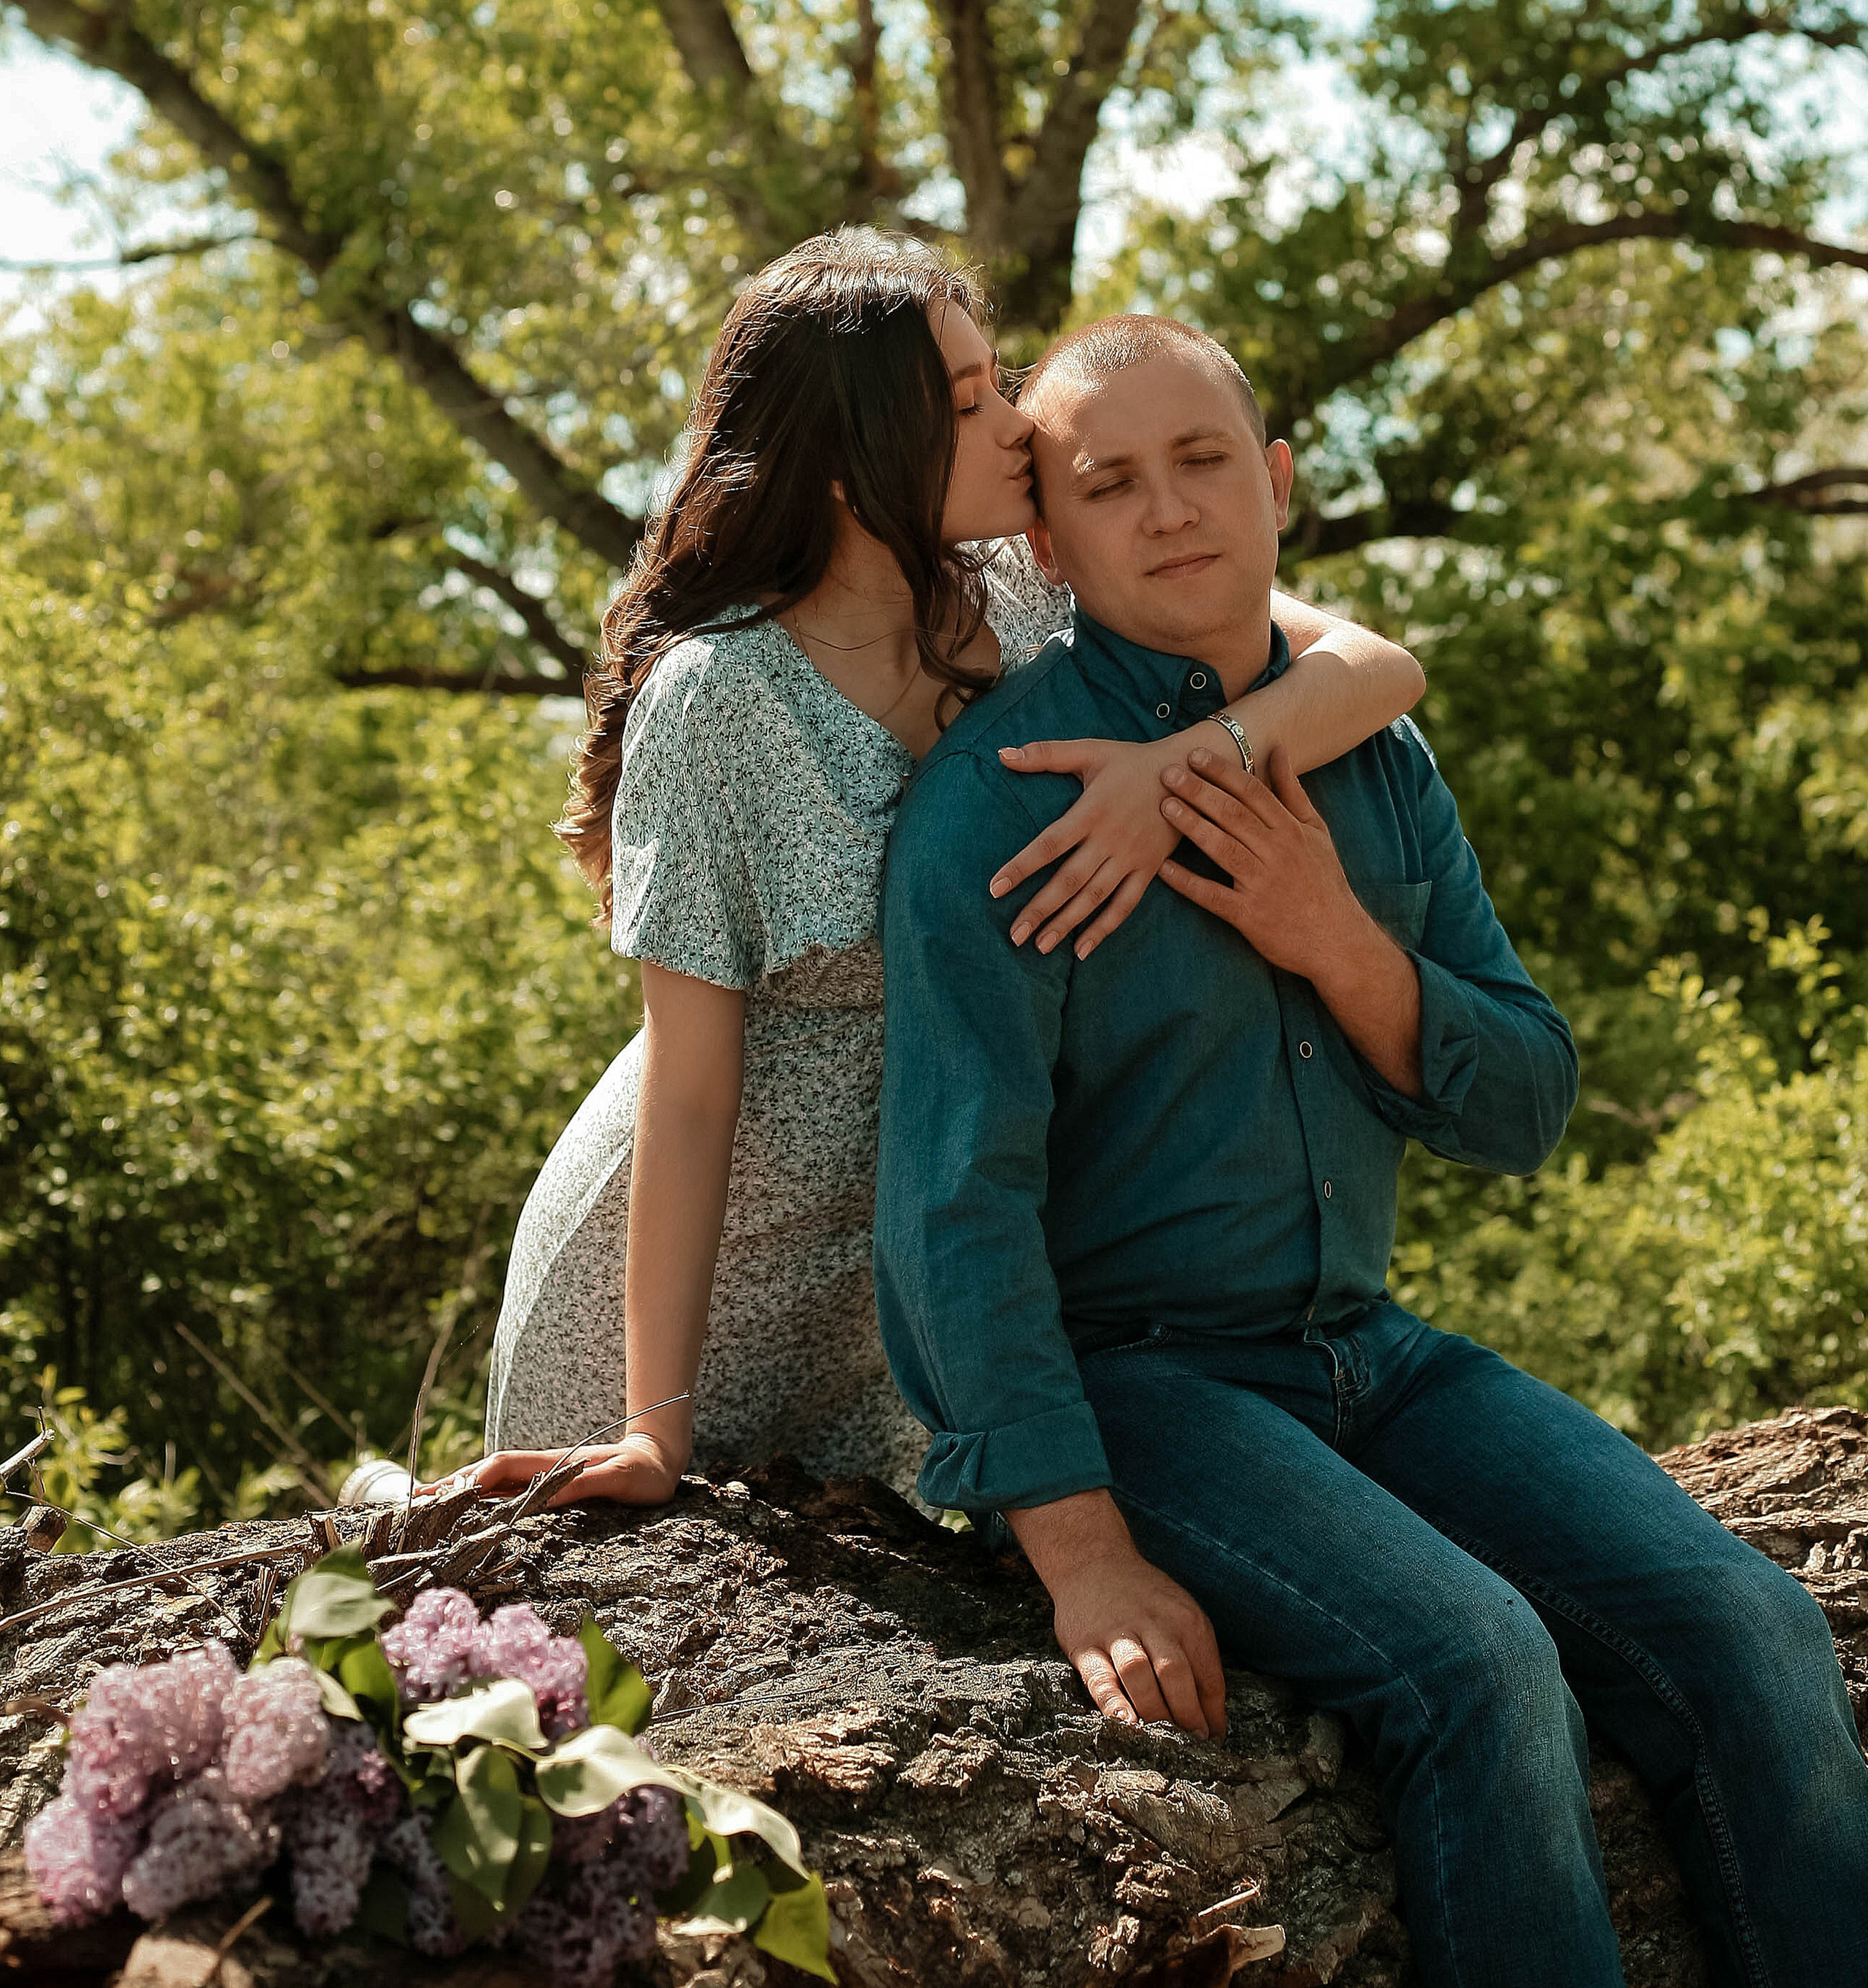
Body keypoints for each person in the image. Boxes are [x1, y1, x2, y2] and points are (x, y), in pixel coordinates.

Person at [873, 313, 1868, 1988]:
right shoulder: (999, 803)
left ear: (1275, 484)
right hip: (1147, 1391)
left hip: (1368, 1360)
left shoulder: (1370, 755)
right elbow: (951, 1206)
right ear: (1044, 542)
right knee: (1479, 1664)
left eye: (1202, 463)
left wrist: (1335, 939)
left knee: (1757, 1631)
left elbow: (1524, 1095)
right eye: (1109, 485)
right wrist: (1081, 1548)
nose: (1168, 510)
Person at [467, 233, 1424, 1513]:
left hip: (921, 1279)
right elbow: (688, 1095)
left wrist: (1189, 764)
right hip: (686, 1307)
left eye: (1000, 378)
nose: (1020, 420)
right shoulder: (720, 695)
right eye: (969, 401)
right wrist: (653, 1429)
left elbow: (1375, 669)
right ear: (859, 467)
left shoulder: (1031, 590)